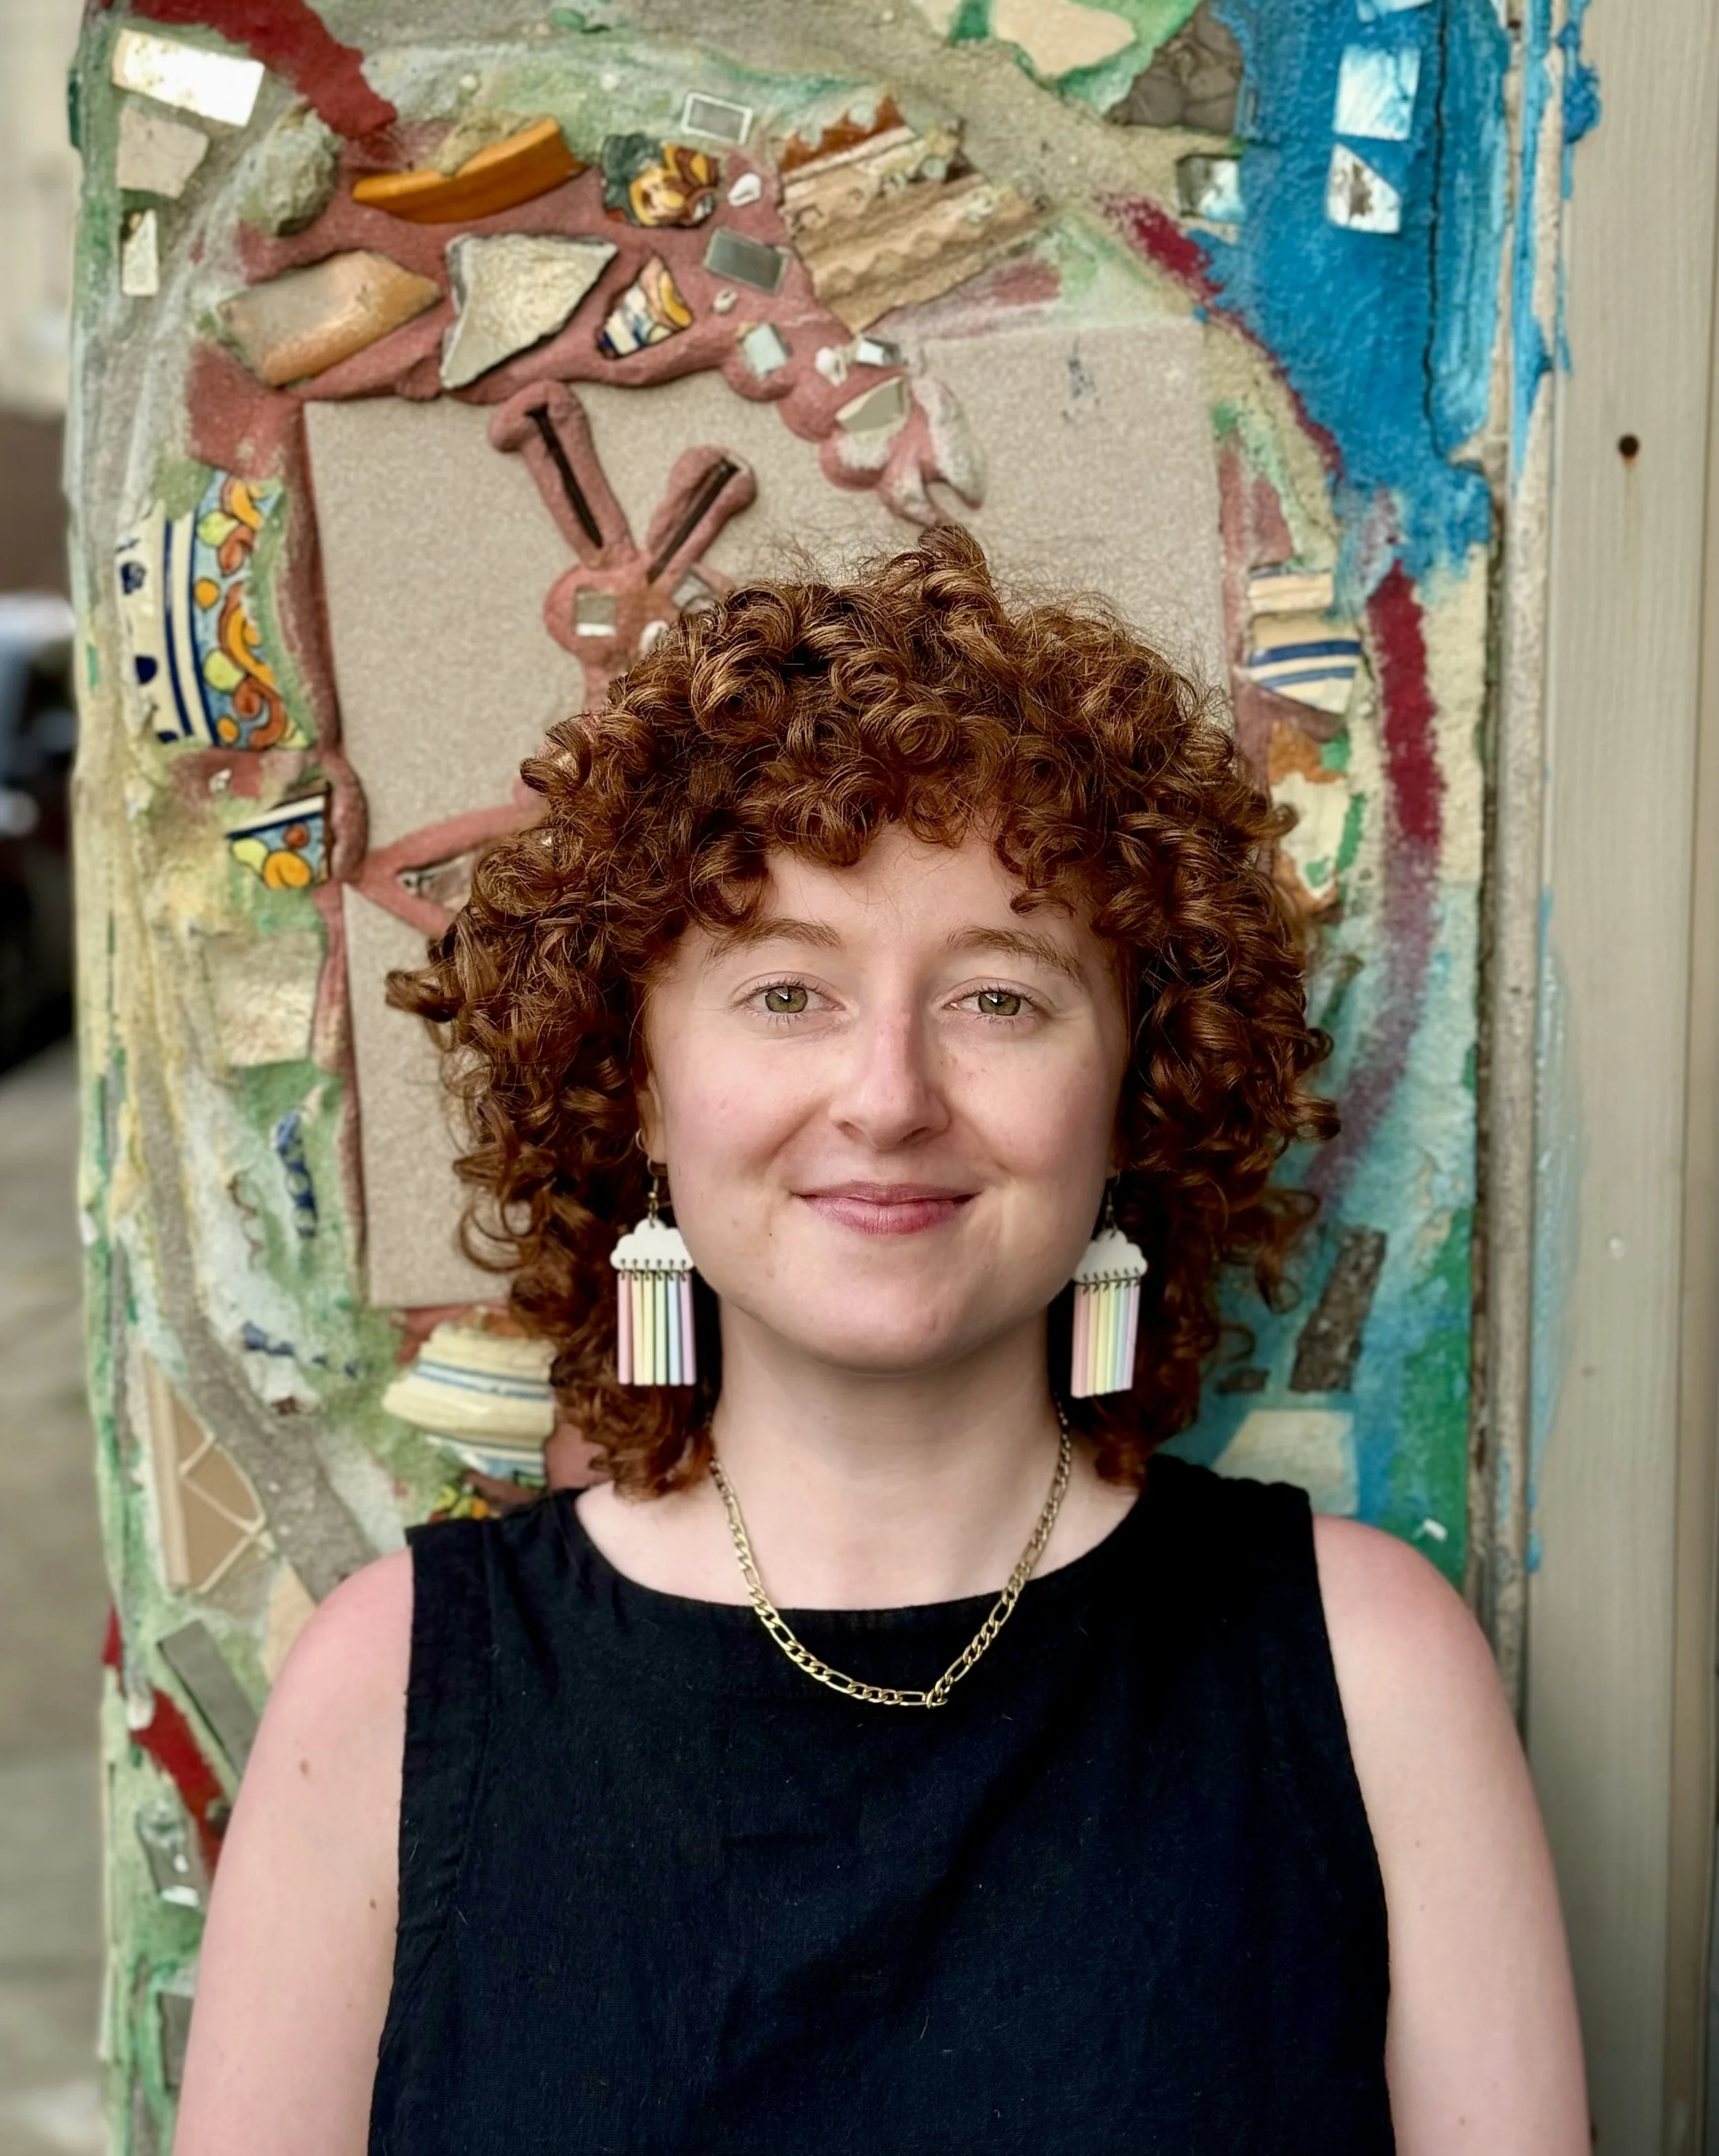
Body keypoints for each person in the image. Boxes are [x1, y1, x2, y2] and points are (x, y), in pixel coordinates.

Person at [174, 527, 1588, 2155]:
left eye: (998, 996)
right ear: (633, 1078)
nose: (889, 1095)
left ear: (1133, 1091)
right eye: (786, 992)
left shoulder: (1369, 1675)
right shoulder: (387, 1693)